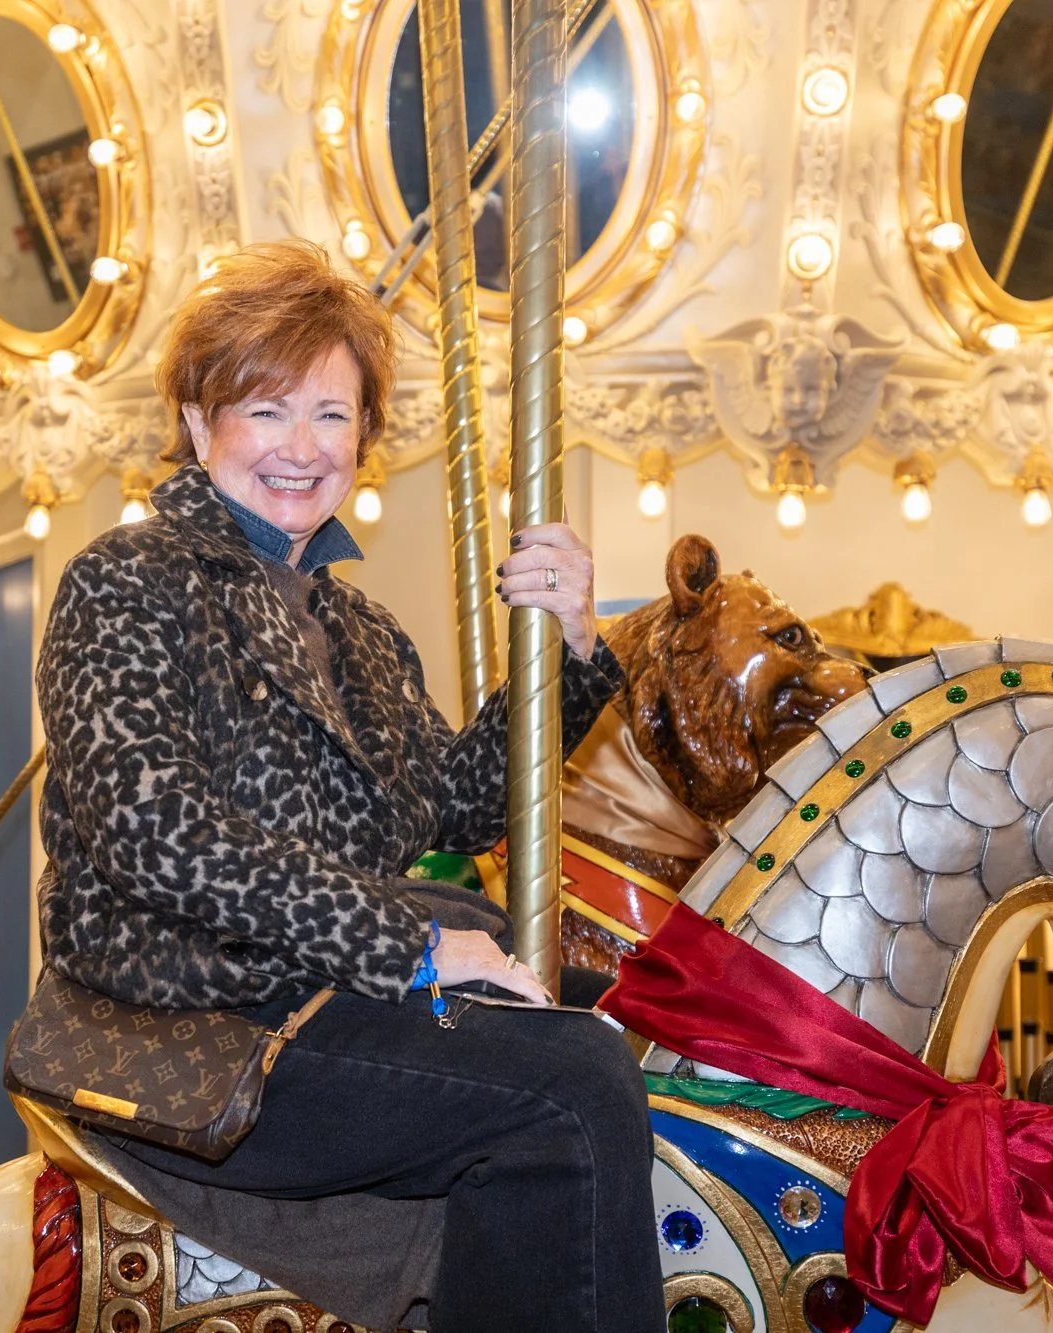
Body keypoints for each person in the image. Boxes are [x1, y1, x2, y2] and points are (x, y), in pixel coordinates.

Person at [36, 240, 659, 1333]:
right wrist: (408, 945)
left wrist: (565, 652)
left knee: (616, 1024)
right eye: (265, 410)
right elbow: (153, 828)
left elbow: (452, 803)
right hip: (199, 1014)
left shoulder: (358, 627)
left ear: (364, 436)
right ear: (198, 425)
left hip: (327, 997)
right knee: (570, 1085)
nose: (301, 446)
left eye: (331, 414)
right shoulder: (129, 582)